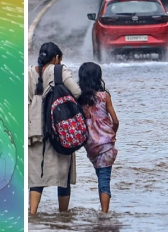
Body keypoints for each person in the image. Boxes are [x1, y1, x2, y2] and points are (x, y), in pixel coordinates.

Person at [28, 42, 81, 215]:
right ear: (57, 58)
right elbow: (77, 92)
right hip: (59, 128)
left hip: (35, 131)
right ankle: (63, 216)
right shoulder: (60, 71)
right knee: (63, 176)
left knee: (37, 175)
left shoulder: (28, 73)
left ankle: (33, 214)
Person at [77, 62, 119, 214]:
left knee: (99, 175)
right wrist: (112, 133)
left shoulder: (79, 98)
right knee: (104, 179)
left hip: (89, 145)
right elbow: (115, 120)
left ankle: (103, 211)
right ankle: (104, 213)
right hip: (105, 144)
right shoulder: (104, 97)